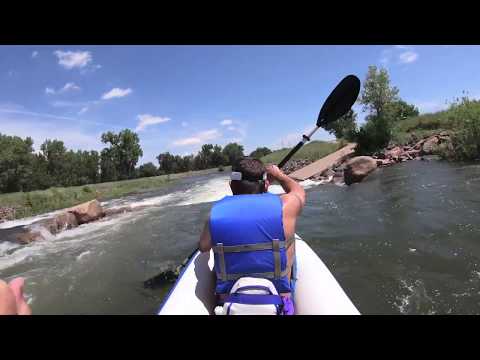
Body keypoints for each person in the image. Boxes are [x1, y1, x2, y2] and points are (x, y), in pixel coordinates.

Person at [199, 157, 306, 314]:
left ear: (231, 185)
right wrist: (279, 174)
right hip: (279, 302)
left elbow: (203, 247)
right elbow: (299, 193)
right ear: (266, 184)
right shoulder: (285, 207)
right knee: (289, 243)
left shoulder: (215, 213)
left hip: (228, 303)